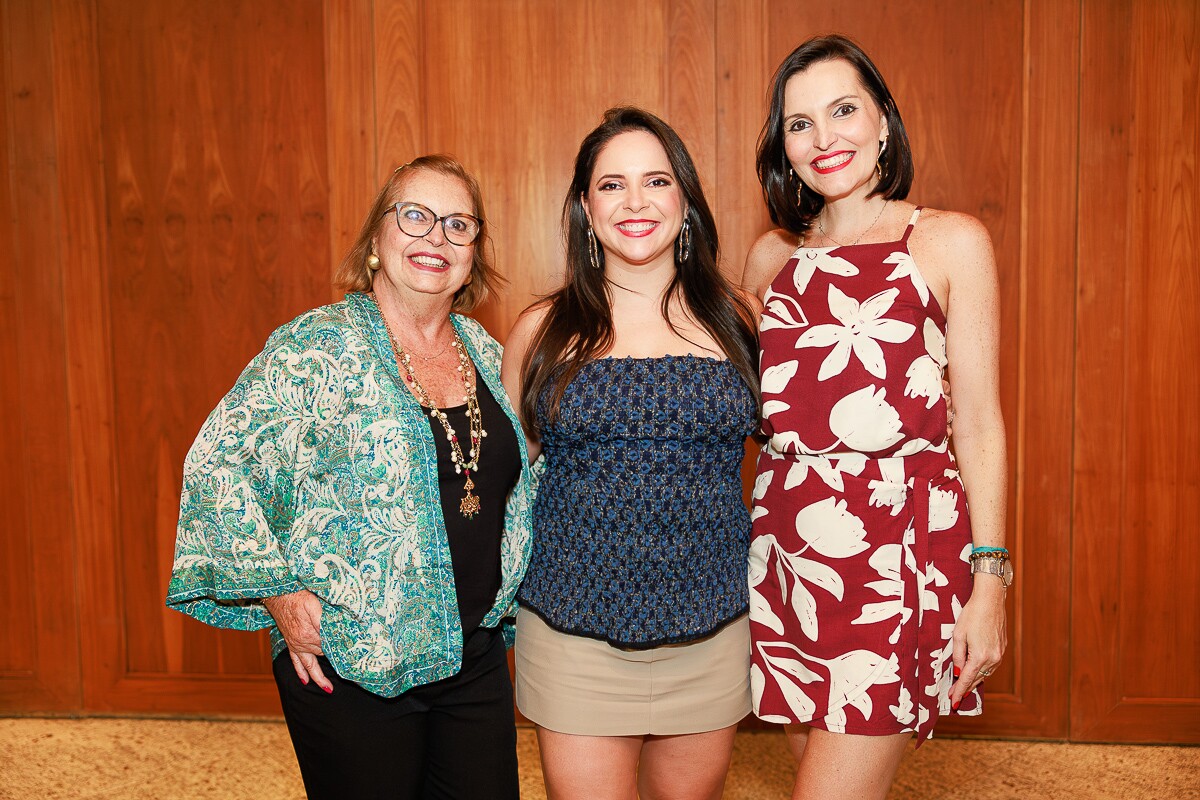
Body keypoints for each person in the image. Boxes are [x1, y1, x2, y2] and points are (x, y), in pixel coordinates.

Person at [166, 155, 535, 800]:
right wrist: (274, 591)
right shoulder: (312, 349)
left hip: (471, 658)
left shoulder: (485, 350)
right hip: (351, 659)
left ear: (475, 252)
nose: (435, 239)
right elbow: (218, 463)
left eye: (458, 225)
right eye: (414, 216)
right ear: (375, 238)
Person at [741, 35, 1009, 799]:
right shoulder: (769, 260)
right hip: (789, 557)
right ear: (783, 148)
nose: (825, 139)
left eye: (844, 110)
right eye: (799, 124)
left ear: (884, 122)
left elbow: (981, 422)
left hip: (898, 555)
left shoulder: (949, 241)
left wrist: (989, 584)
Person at [500, 107, 759, 800]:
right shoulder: (543, 330)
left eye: (657, 181)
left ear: (686, 200)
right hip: (571, 634)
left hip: (711, 629)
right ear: (586, 206)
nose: (636, 202)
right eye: (612, 185)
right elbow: (507, 486)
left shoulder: (740, 320)